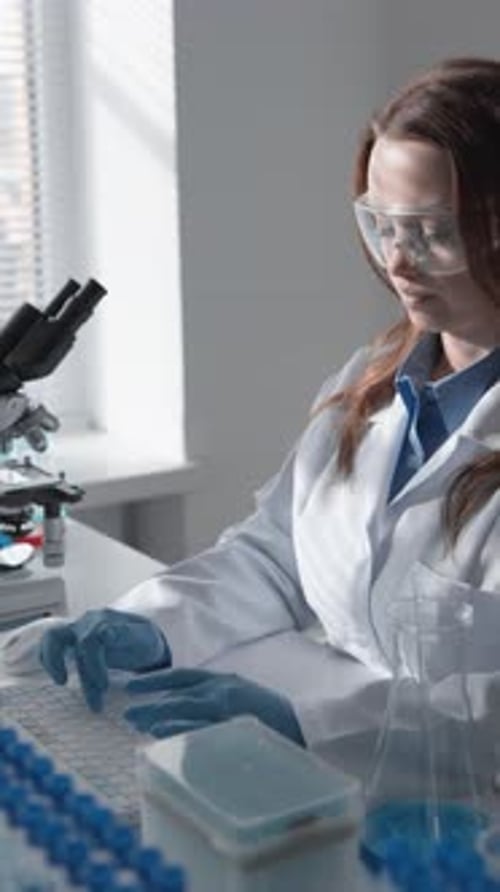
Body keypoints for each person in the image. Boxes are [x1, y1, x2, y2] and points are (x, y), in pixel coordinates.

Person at [38, 56, 500, 768]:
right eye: (382, 226)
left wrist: (307, 722)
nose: (397, 262)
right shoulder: (372, 383)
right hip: (346, 789)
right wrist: (150, 626)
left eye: (430, 231)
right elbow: (279, 557)